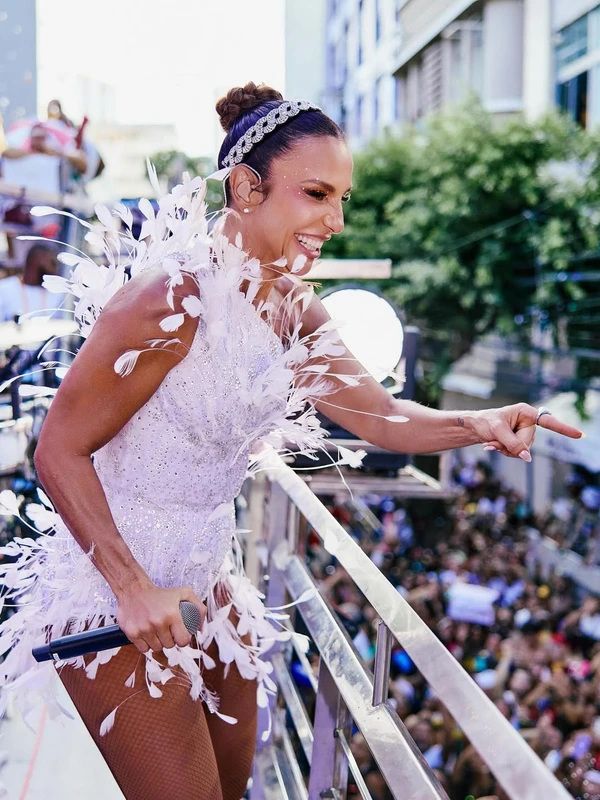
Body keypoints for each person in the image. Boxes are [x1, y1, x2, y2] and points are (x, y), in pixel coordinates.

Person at [0, 82, 584, 800]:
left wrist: (478, 425)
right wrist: (131, 588)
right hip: (115, 595)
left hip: (210, 585)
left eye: (343, 198)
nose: (336, 219)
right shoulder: (169, 299)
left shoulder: (294, 306)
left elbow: (378, 417)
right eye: (316, 194)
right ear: (246, 187)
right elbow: (56, 449)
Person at [0, 243, 61, 322]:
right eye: (51, 263)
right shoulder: (5, 288)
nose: (54, 269)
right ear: (33, 261)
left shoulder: (57, 293)